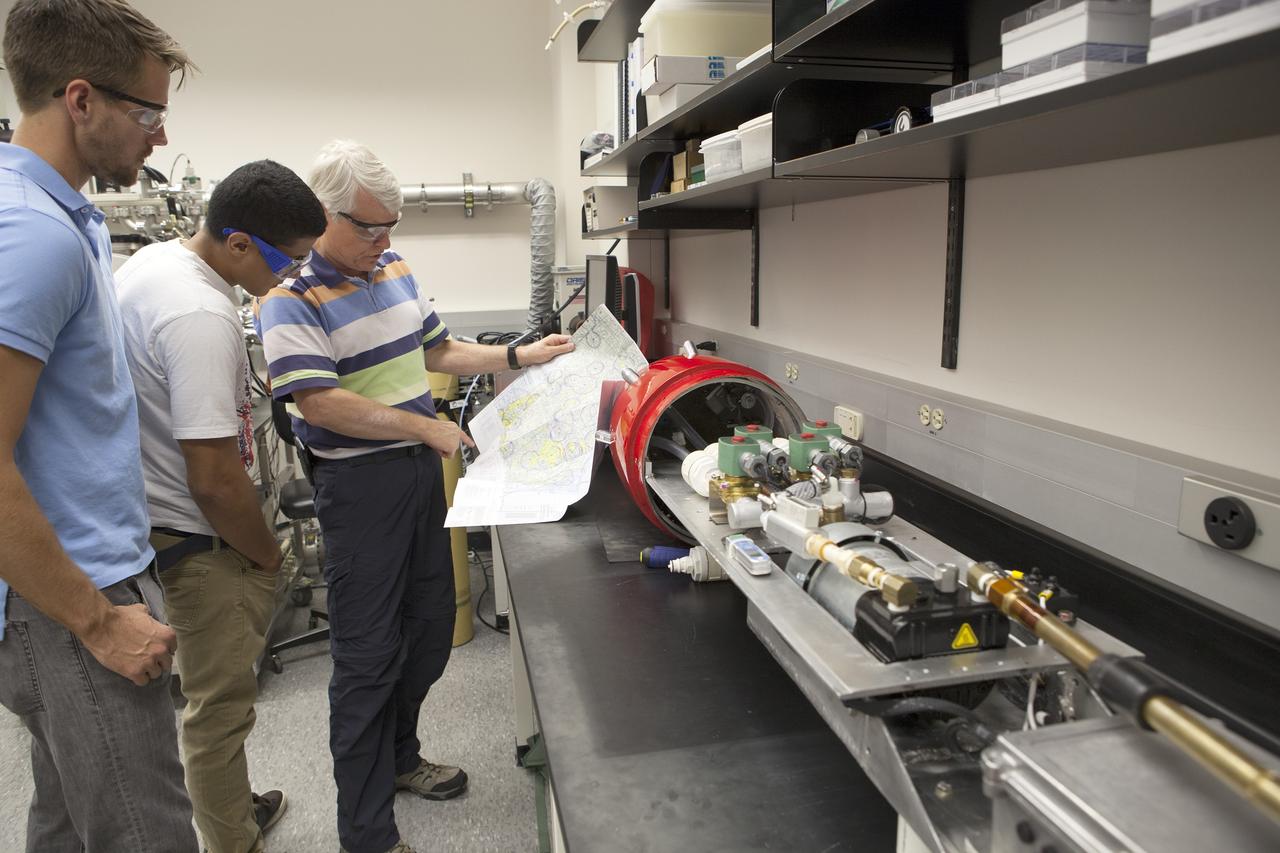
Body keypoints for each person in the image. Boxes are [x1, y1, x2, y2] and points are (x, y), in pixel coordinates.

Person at [257, 139, 574, 853]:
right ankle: (367, 833)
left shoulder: (392, 266)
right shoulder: (290, 295)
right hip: (359, 487)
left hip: (419, 475)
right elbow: (320, 402)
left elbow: (438, 349)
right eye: (369, 227)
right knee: (367, 658)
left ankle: (401, 757)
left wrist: (519, 355)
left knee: (429, 631)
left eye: (391, 225)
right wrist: (423, 426)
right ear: (324, 215)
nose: (384, 239)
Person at [0, 1, 199, 850]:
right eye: (148, 113)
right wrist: (98, 619)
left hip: (69, 583)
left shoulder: (59, 216)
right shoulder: (34, 234)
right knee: (143, 832)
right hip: (71, 594)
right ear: (80, 100)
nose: (161, 136)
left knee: (68, 823)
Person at [115, 159, 328, 852]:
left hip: (156, 515)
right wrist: (263, 554)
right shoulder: (201, 316)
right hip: (202, 535)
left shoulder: (155, 264)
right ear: (239, 244)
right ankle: (233, 838)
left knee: (211, 703)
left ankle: (228, 806)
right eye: (287, 261)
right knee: (219, 708)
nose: (293, 276)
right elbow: (212, 478)